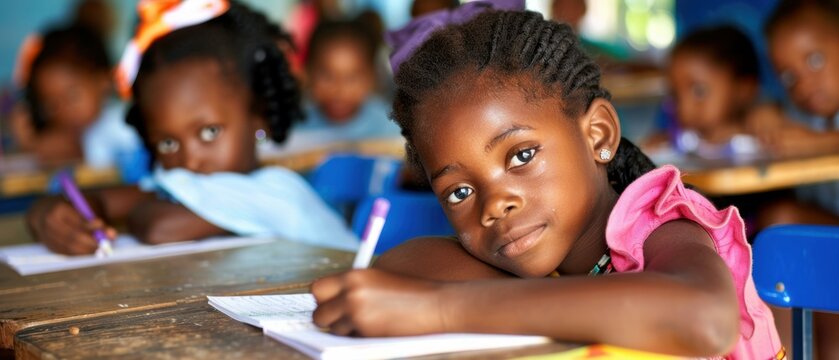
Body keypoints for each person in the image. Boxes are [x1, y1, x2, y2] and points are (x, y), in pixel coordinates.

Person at [310, 7, 783, 358]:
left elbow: (704, 317)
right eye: (459, 192)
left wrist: (440, 310)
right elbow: (402, 265)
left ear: (598, 135)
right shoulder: (530, 253)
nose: (494, 204)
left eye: (521, 155)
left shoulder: (658, 226)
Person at [25, 0, 357, 255]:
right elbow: (98, 201)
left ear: (260, 116)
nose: (190, 159)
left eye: (209, 132)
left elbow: (159, 226)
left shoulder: (279, 193)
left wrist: (129, 210)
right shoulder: (189, 181)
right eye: (167, 143)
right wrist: (50, 215)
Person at [762, 0, 839, 356]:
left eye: (815, 60)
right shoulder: (801, 116)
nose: (805, 83)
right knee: (784, 232)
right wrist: (761, 118)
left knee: (783, 223)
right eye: (790, 77)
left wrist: (818, 144)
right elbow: (762, 117)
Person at [10, 25, 142, 168]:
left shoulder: (122, 124)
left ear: (103, 81)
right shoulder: (81, 135)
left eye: (72, 96)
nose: (64, 111)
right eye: (51, 105)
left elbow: (92, 158)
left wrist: (38, 145)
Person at [280, 18, 400, 152]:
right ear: (308, 73)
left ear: (371, 78)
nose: (339, 89)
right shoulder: (296, 127)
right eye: (326, 76)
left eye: (351, 78)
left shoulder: (389, 128)